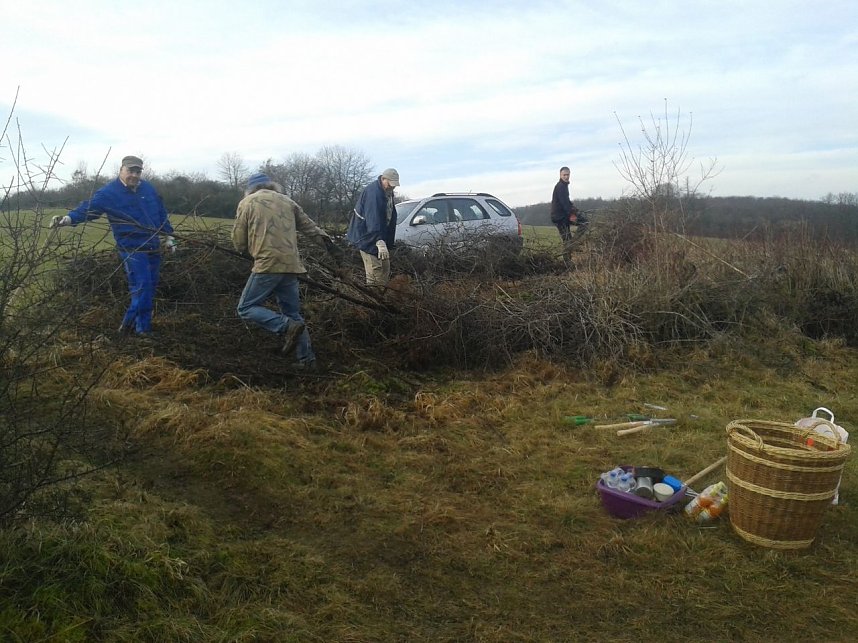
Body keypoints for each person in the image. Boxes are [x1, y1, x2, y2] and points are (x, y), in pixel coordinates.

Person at [50, 155, 176, 337]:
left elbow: (161, 213)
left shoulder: (148, 188)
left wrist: (169, 237)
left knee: (149, 289)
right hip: (132, 249)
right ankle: (139, 330)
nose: (134, 175)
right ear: (121, 170)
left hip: (153, 246)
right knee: (143, 287)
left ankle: (130, 328)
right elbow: (88, 209)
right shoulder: (109, 193)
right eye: (130, 171)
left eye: (138, 171)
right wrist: (67, 219)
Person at [232, 172, 336, 370]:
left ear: (250, 189)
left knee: (245, 308)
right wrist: (331, 247)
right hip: (291, 265)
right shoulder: (288, 201)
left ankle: (285, 326)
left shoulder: (247, 203)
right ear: (271, 186)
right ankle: (307, 361)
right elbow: (311, 228)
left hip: (267, 264)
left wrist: (243, 251)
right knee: (293, 313)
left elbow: (239, 239)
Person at [346, 168, 400, 287]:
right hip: (367, 237)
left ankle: (383, 294)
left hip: (378, 236)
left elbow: (389, 217)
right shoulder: (373, 193)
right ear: (383, 179)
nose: (392, 187)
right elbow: (373, 219)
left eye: (394, 185)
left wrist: (387, 242)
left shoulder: (387, 192)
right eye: (390, 184)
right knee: (376, 272)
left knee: (385, 267)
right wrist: (379, 241)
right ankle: (373, 295)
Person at [549, 166, 587, 258]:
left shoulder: (564, 186)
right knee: (568, 240)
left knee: (584, 223)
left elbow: (567, 201)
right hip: (559, 217)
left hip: (564, 215)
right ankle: (571, 250)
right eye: (564, 175)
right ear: (560, 175)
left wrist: (575, 209)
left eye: (568, 175)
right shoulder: (560, 186)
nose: (566, 177)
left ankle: (572, 245)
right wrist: (572, 214)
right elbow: (564, 204)